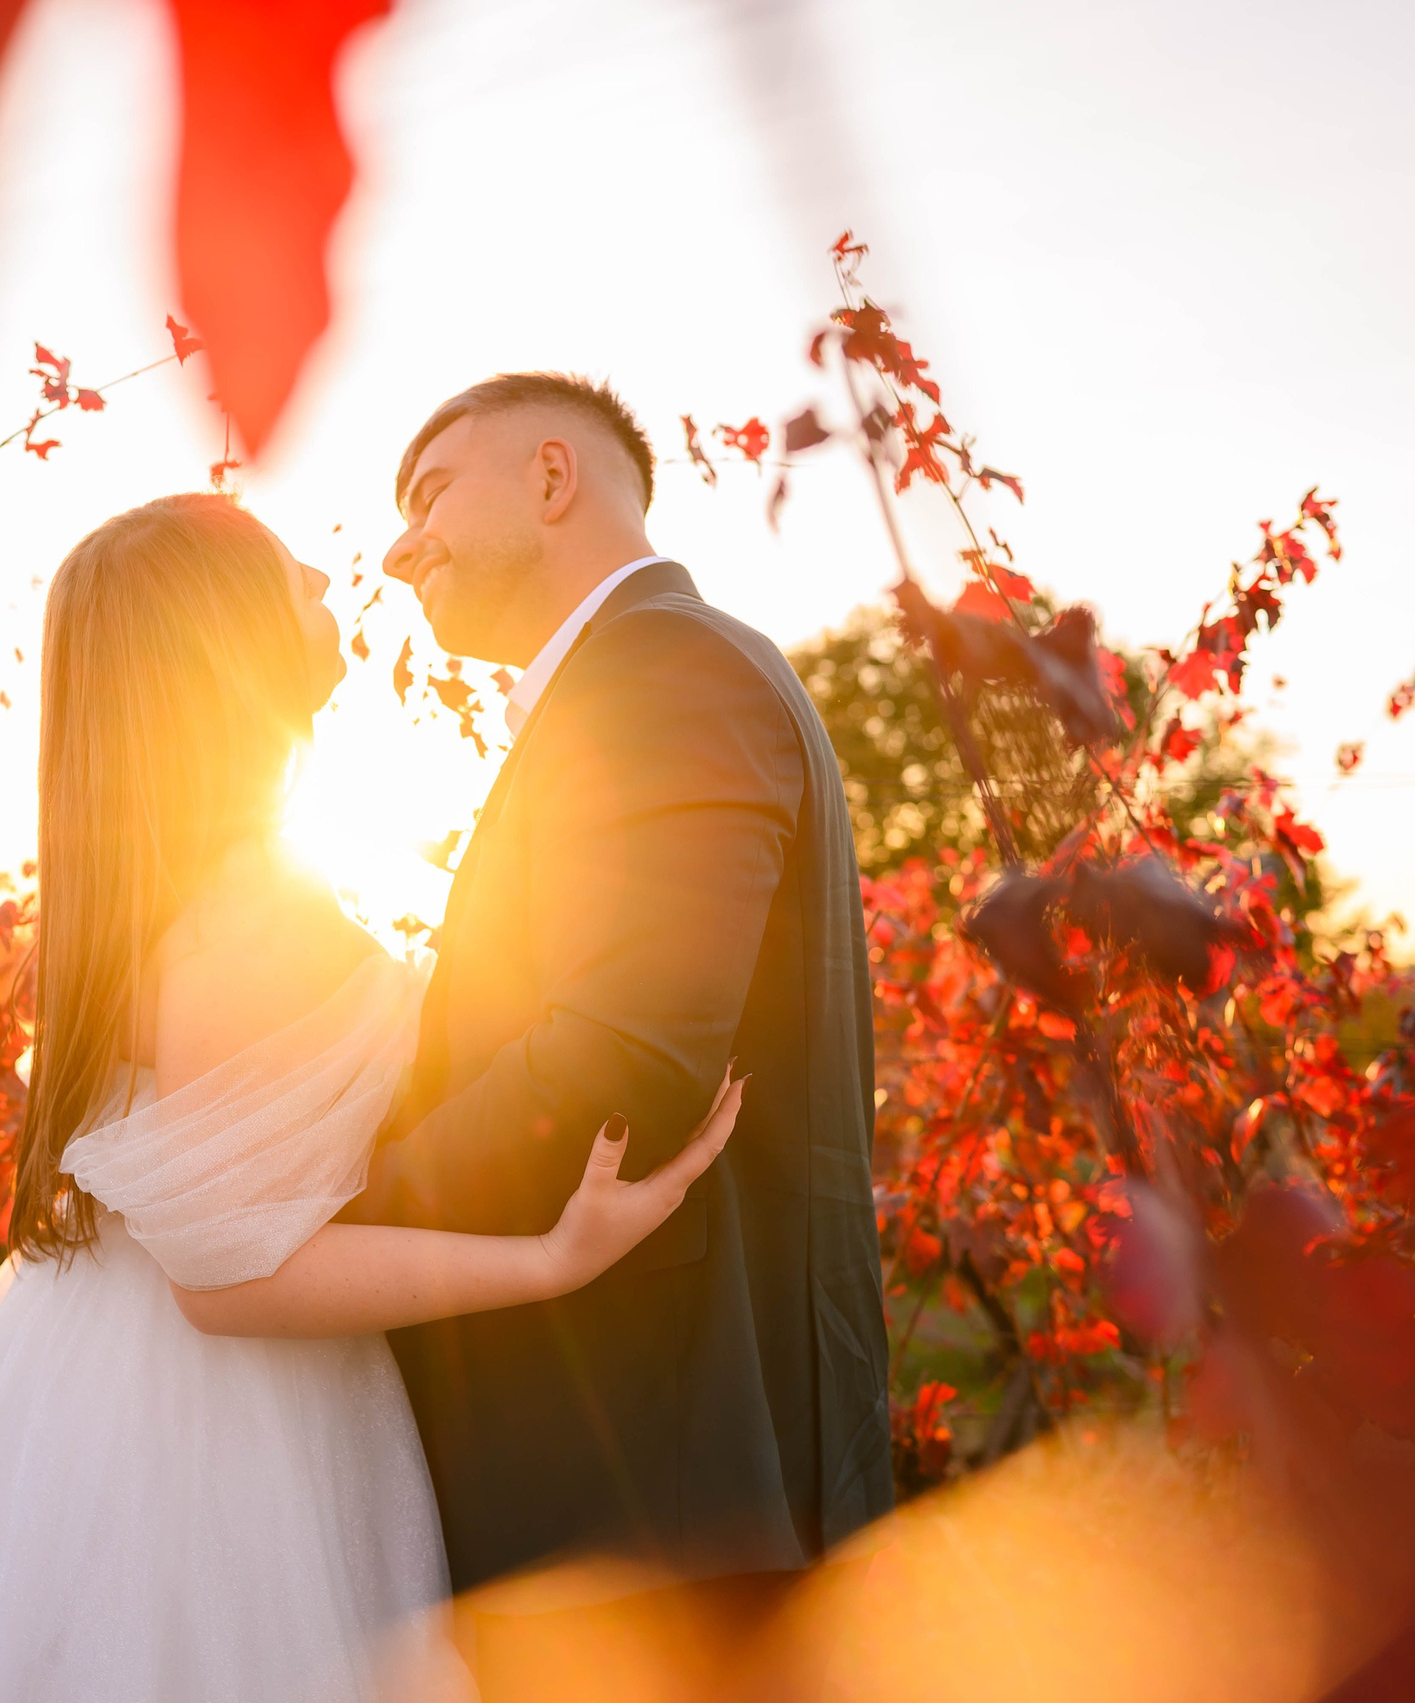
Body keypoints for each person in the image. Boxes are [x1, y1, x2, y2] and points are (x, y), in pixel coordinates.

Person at [0, 492, 742, 1703]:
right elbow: (228, 1280)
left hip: (118, 1371)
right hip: (214, 1433)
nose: (322, 572)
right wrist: (548, 1258)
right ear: (222, 641)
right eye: (282, 568)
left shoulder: (200, 884)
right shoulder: (234, 914)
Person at [341, 372, 892, 1695]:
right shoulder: (634, 680)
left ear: (550, 479)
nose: (400, 544)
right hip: (649, 1475)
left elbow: (623, 1054)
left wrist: (350, 1224)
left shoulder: (664, 675)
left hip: (660, 1483)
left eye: (428, 494)